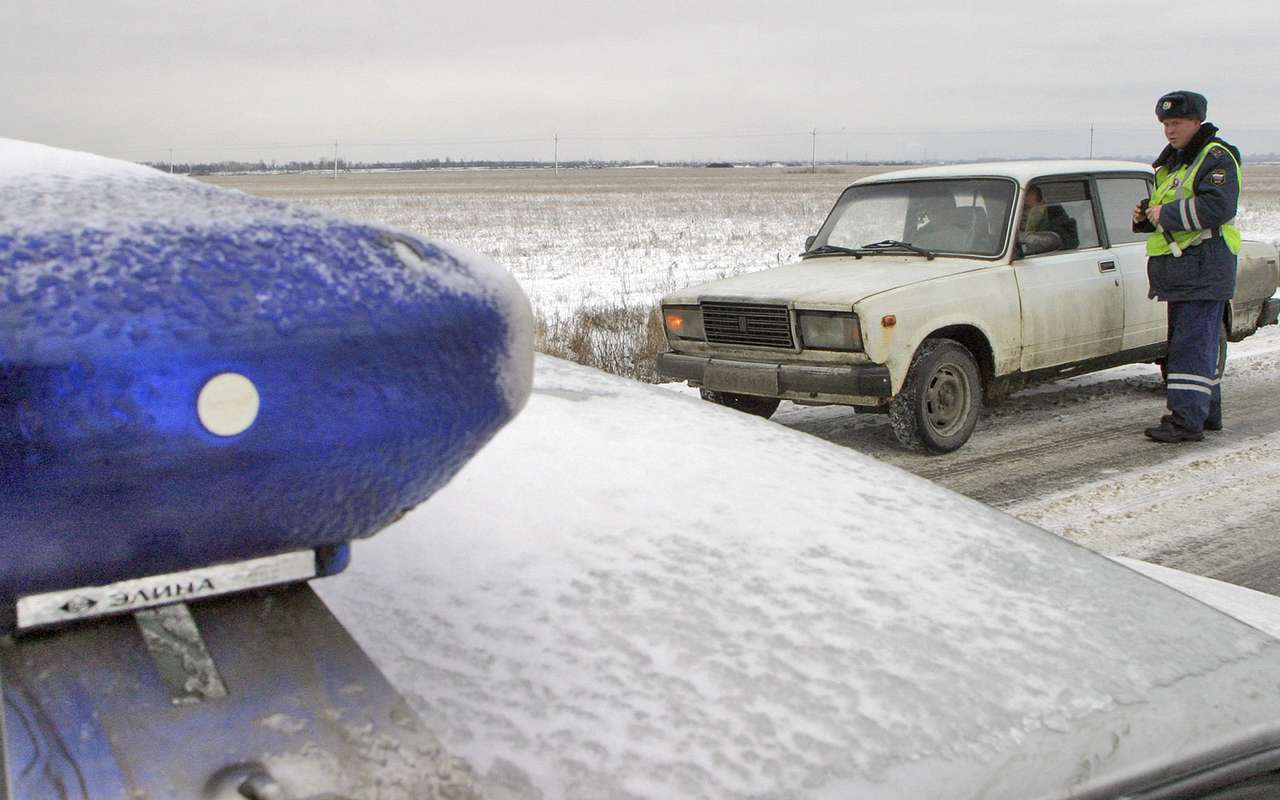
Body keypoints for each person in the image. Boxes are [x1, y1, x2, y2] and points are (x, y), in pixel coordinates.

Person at [1132, 90, 1242, 443]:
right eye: (1165, 123)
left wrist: (1166, 214)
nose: (1169, 130)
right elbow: (1169, 211)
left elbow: (1217, 208)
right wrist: (1146, 217)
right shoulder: (1174, 163)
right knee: (1198, 344)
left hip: (1204, 266)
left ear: (1197, 121)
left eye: (1176, 122)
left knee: (1190, 348)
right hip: (1183, 270)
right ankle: (1205, 413)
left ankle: (1185, 421)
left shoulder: (1215, 157)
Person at [1018, 186, 1078, 254]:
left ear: (1042, 206)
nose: (1019, 214)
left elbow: (1067, 242)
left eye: (1025, 208)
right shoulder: (1007, 227)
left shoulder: (1062, 228)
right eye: (1015, 210)